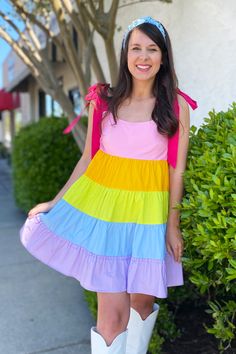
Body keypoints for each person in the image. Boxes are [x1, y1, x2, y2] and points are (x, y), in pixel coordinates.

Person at [20, 16, 197, 354]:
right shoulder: (104, 102)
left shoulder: (176, 105)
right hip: (107, 218)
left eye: (151, 49)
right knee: (111, 318)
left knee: (142, 306)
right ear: (125, 54)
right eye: (135, 48)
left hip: (149, 217)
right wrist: (56, 203)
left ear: (163, 57)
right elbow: (88, 159)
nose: (143, 57)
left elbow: (177, 170)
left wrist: (172, 226)